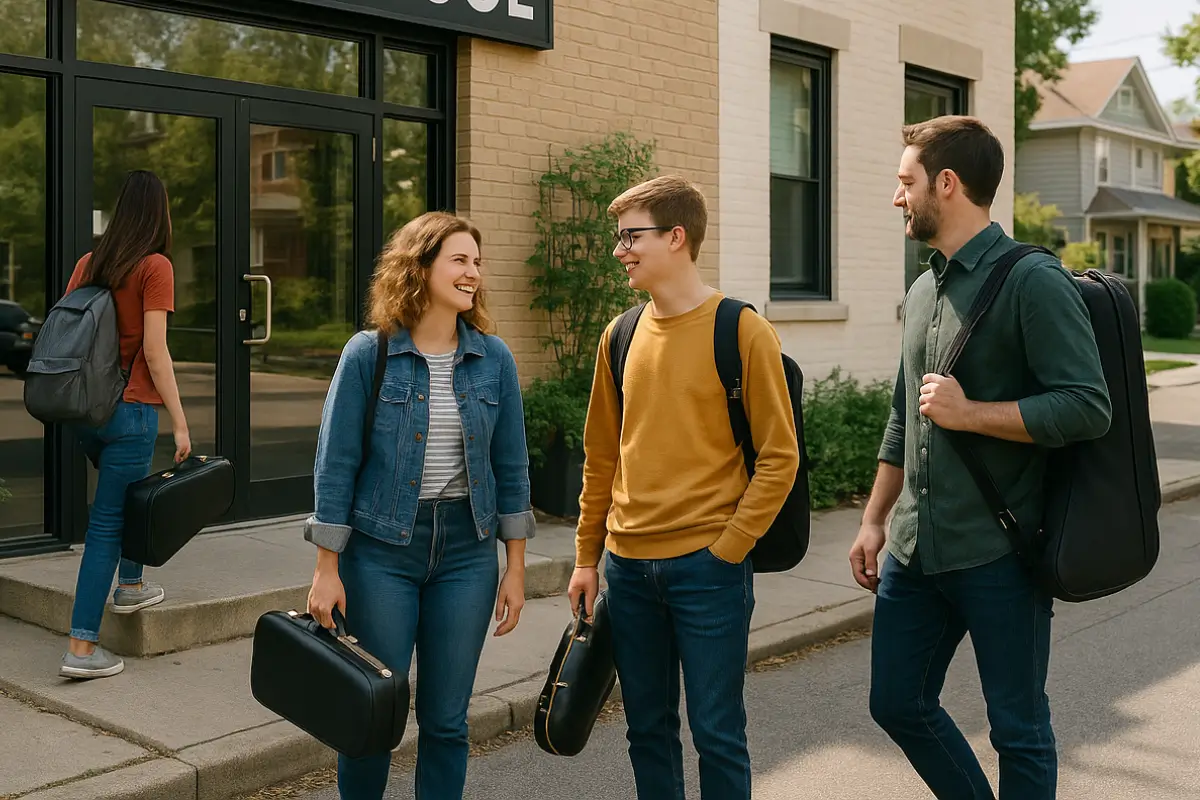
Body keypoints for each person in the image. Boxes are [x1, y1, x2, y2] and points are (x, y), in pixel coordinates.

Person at [850, 116, 1112, 799]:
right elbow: (903, 416)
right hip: (913, 548)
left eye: (905, 182)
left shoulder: (1033, 281)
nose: (896, 197)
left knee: (1018, 730)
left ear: (947, 183)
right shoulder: (923, 288)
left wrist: (971, 415)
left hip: (999, 552)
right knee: (897, 704)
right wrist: (875, 518)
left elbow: (1087, 404)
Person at [567, 175, 800, 799]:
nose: (619, 250)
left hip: (708, 569)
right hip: (628, 568)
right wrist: (589, 557)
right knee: (646, 731)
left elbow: (781, 457)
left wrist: (729, 547)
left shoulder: (743, 329)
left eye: (630, 236)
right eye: (618, 238)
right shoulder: (619, 335)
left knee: (717, 733)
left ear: (676, 237)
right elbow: (600, 456)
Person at [304, 211, 535, 800]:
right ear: (420, 266)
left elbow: (511, 468)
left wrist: (515, 566)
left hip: (466, 552)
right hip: (381, 552)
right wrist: (326, 569)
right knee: (373, 714)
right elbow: (335, 465)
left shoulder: (495, 360)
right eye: (459, 260)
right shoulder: (368, 355)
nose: (473, 274)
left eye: (476, 263)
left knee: (447, 721)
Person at [59, 169, 192, 680]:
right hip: (131, 411)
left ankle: (131, 585)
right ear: (159, 213)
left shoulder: (90, 263)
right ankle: (82, 648)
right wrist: (180, 423)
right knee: (108, 525)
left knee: (128, 494)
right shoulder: (154, 266)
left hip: (87, 414)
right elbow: (156, 352)